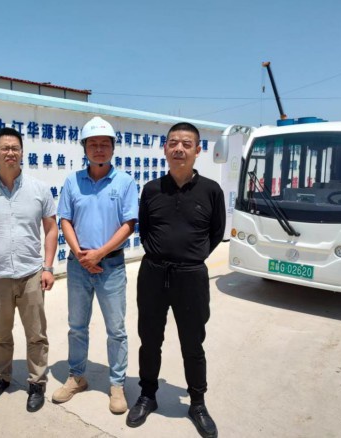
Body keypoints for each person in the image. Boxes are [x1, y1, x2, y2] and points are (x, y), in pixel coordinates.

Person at [125, 122, 225, 437]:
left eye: (186, 143)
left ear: (198, 150)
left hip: (191, 277)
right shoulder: (152, 189)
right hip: (153, 274)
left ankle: (197, 402)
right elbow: (145, 229)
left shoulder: (211, 190)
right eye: (173, 143)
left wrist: (191, 257)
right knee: (149, 339)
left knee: (193, 342)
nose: (178, 149)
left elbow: (216, 233)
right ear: (165, 148)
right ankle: (147, 394)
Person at [0, 127, 58, 413]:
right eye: (4, 148)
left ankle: (37, 383)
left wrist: (48, 267)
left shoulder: (39, 190)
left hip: (31, 275)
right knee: (1, 334)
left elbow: (51, 229)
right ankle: (1, 377)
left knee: (36, 334)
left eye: (15, 148)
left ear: (22, 152)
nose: (10, 153)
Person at [52, 116, 138, 415]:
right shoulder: (72, 181)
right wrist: (80, 254)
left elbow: (129, 224)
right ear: (85, 148)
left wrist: (99, 253)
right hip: (79, 266)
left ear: (113, 148)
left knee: (116, 329)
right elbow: (64, 219)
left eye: (104, 144)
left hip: (111, 266)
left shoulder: (125, 182)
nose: (99, 149)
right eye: (93, 144)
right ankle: (77, 376)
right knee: (77, 326)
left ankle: (117, 384)